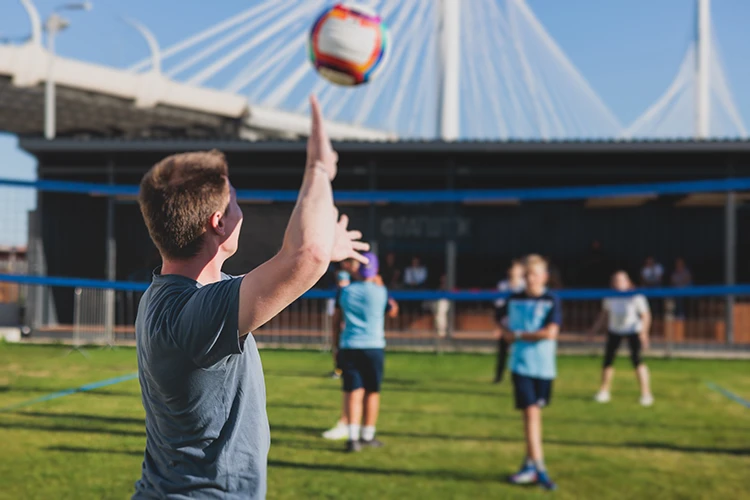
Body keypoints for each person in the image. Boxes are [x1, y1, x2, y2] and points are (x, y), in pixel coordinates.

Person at [133, 96, 369, 499]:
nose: (242, 211)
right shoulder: (194, 315)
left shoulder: (174, 294)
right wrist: (319, 168)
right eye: (236, 202)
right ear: (218, 222)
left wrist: (321, 251)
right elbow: (303, 256)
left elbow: (288, 267)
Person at [499, 255, 561, 491]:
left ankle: (528, 466)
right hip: (521, 365)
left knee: (533, 418)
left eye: (533, 275)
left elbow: (550, 332)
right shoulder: (513, 299)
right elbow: (500, 321)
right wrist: (507, 331)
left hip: (544, 368)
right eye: (526, 275)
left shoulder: (551, 300)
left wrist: (517, 334)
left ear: (544, 277)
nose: (529, 279)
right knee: (531, 415)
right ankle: (541, 470)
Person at [333, 252, 398, 452]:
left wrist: (335, 347)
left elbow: (336, 321)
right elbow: (393, 311)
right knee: (372, 391)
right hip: (374, 345)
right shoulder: (381, 291)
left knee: (353, 391)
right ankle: (367, 434)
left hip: (350, 345)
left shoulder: (345, 291)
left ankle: (352, 438)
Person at [589, 271, 654, 407]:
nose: (618, 283)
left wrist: (644, 333)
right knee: (608, 361)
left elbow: (646, 315)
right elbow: (604, 315)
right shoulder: (610, 296)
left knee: (637, 361)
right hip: (615, 331)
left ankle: (646, 394)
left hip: (633, 330)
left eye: (621, 280)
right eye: (616, 281)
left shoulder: (636, 296)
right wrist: (594, 331)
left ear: (627, 282)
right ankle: (604, 391)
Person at [493, 260, 526, 383]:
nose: (515, 272)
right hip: (506, 323)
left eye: (518, 269)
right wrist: (498, 326)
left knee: (518, 352)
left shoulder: (524, 286)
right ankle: (498, 377)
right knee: (502, 352)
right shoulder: (503, 285)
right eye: (513, 269)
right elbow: (498, 306)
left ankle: (517, 376)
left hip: (520, 323)